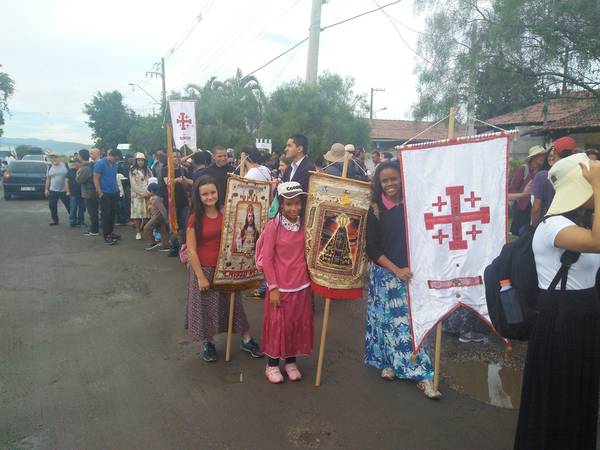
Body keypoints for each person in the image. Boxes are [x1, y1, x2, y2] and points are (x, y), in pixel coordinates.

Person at [514, 153, 600, 449]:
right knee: (556, 395)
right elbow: (598, 243)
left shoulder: (584, 223)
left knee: (580, 395)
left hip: (585, 317)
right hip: (559, 320)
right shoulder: (552, 226)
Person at [364, 161, 441, 399]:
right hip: (385, 275)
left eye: (394, 179)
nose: (390, 184)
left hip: (411, 275)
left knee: (410, 326)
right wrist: (395, 269)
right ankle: (388, 362)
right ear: (379, 184)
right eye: (384, 180)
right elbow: (371, 248)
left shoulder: (414, 206)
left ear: (402, 178)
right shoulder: (375, 210)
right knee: (384, 322)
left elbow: (425, 238)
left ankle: (422, 373)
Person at [185, 175, 263, 362]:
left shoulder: (227, 212)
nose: (210, 197)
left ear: (218, 192)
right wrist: (200, 276)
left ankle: (246, 339)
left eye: (212, 192)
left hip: (227, 268)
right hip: (204, 269)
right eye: (205, 194)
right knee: (205, 308)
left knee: (235, 305)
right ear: (199, 196)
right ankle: (209, 343)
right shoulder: (195, 219)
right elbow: (191, 250)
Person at [260, 181, 313, 383]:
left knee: (295, 325)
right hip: (280, 287)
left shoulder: (305, 224)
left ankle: (291, 362)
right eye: (289, 203)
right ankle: (272, 364)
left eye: (297, 203)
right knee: (277, 325)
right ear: (281, 204)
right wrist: (273, 287)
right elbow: (267, 259)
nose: (293, 208)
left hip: (301, 285)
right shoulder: (273, 226)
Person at [530, 137, 576, 227]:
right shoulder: (576, 174)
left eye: (553, 154)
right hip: (570, 224)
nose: (551, 158)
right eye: (549, 155)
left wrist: (536, 228)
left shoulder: (543, 175)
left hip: (548, 225)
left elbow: (536, 209)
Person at [509, 145, 547, 236]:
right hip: (523, 208)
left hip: (537, 206)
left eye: (543, 155)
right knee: (521, 234)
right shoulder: (524, 169)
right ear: (533, 157)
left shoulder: (543, 171)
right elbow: (512, 189)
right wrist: (523, 194)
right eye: (539, 155)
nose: (542, 157)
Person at [160, 151, 191, 256]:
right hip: (171, 202)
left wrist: (185, 183)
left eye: (178, 156)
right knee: (173, 226)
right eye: (174, 156)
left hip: (183, 201)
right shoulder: (166, 169)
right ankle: (174, 248)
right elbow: (167, 182)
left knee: (185, 225)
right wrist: (177, 180)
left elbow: (188, 185)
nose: (176, 158)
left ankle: (184, 247)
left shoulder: (184, 170)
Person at [93, 149, 122, 245]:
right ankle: (106, 236)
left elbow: (113, 178)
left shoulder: (114, 164)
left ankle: (111, 232)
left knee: (112, 214)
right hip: (104, 192)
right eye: (115, 159)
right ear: (110, 155)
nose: (116, 161)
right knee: (106, 215)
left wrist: (117, 190)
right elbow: (95, 178)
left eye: (117, 159)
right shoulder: (100, 164)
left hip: (114, 192)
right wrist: (100, 192)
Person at [77, 148, 100, 236]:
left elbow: (79, 180)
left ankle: (94, 230)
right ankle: (95, 228)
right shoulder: (93, 165)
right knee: (94, 212)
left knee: (92, 212)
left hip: (89, 193)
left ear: (80, 157)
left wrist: (78, 171)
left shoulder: (85, 168)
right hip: (94, 191)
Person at [129, 152, 151, 240]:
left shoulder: (148, 170)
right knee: (137, 215)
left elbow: (151, 181)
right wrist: (143, 193)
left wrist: (148, 192)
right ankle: (138, 232)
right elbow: (133, 185)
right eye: (139, 160)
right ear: (136, 161)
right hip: (137, 195)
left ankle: (145, 229)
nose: (140, 162)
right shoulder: (132, 170)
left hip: (147, 195)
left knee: (147, 214)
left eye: (142, 160)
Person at [44, 152, 70, 226]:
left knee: (69, 205)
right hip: (53, 190)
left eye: (55, 157)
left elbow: (70, 177)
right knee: (52, 206)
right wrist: (46, 189)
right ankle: (55, 220)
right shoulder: (50, 167)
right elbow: (48, 179)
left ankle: (73, 219)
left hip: (64, 190)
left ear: (59, 158)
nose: (54, 159)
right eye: (52, 157)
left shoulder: (65, 165)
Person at [143, 183, 170, 251]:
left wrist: (166, 219)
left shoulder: (156, 199)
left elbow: (163, 209)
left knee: (147, 228)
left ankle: (152, 243)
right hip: (159, 217)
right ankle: (166, 245)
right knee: (162, 230)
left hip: (157, 217)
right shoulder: (156, 198)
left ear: (152, 191)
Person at [66, 157, 86, 227]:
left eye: (78, 162)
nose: (76, 164)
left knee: (82, 208)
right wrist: (67, 191)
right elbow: (66, 181)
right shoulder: (70, 171)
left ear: (80, 163)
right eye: (75, 162)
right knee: (73, 208)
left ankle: (81, 221)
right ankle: (72, 222)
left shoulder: (84, 170)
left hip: (83, 193)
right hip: (73, 193)